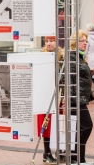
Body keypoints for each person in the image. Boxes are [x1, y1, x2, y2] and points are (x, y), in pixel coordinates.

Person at [36, 35, 64, 164]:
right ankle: (46, 152)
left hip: (59, 94)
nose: (48, 43)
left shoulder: (62, 56)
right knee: (46, 124)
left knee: (60, 122)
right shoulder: (41, 56)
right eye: (46, 41)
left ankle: (61, 150)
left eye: (51, 41)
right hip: (45, 95)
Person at [69, 30, 94, 163]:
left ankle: (79, 158)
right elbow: (70, 78)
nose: (85, 43)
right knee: (87, 126)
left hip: (80, 98)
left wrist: (89, 71)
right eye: (82, 41)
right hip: (75, 99)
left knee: (80, 128)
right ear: (75, 42)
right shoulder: (72, 57)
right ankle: (75, 155)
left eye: (86, 41)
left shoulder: (79, 56)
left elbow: (79, 75)